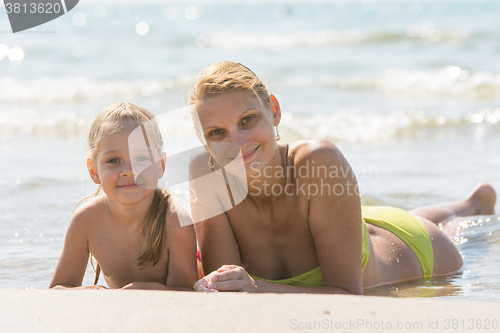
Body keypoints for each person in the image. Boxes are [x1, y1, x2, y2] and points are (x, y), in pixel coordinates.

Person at [187, 60, 497, 294]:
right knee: (386, 220)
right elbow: (224, 288)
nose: (238, 143)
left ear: (274, 110)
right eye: (217, 133)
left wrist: (258, 289)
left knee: (453, 229)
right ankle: (470, 202)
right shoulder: (206, 174)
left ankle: (472, 203)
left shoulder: (318, 161)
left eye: (247, 120)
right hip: (351, 223)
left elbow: (347, 296)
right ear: (202, 139)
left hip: (419, 247)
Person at [50, 102, 198, 290]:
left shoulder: (175, 223)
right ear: (94, 171)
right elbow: (58, 290)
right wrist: (87, 292)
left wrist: (147, 291)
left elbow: (189, 293)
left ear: (160, 165)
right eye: (113, 161)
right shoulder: (86, 221)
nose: (129, 171)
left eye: (142, 158)